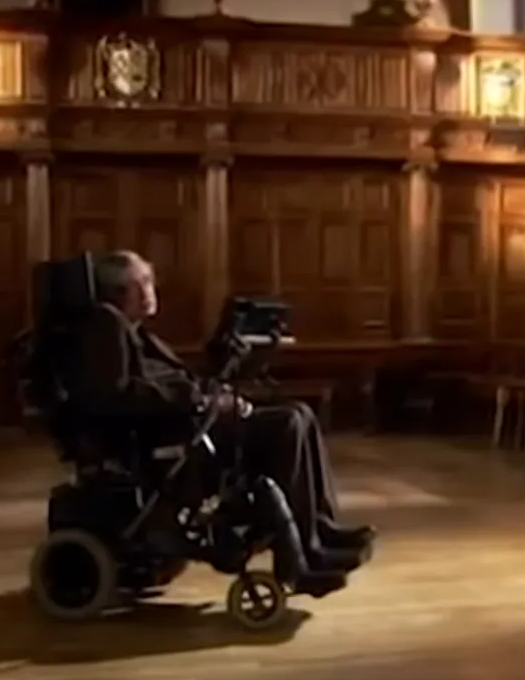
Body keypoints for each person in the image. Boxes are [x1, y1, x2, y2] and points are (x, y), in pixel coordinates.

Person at [70, 250, 374, 591]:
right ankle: (300, 555)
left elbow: (170, 382)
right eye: (140, 284)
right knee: (287, 423)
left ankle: (318, 528)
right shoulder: (105, 324)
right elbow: (117, 395)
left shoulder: (136, 332)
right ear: (117, 292)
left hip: (189, 422)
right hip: (165, 436)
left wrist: (214, 383)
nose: (150, 291)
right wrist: (201, 399)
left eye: (149, 282)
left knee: (299, 414)